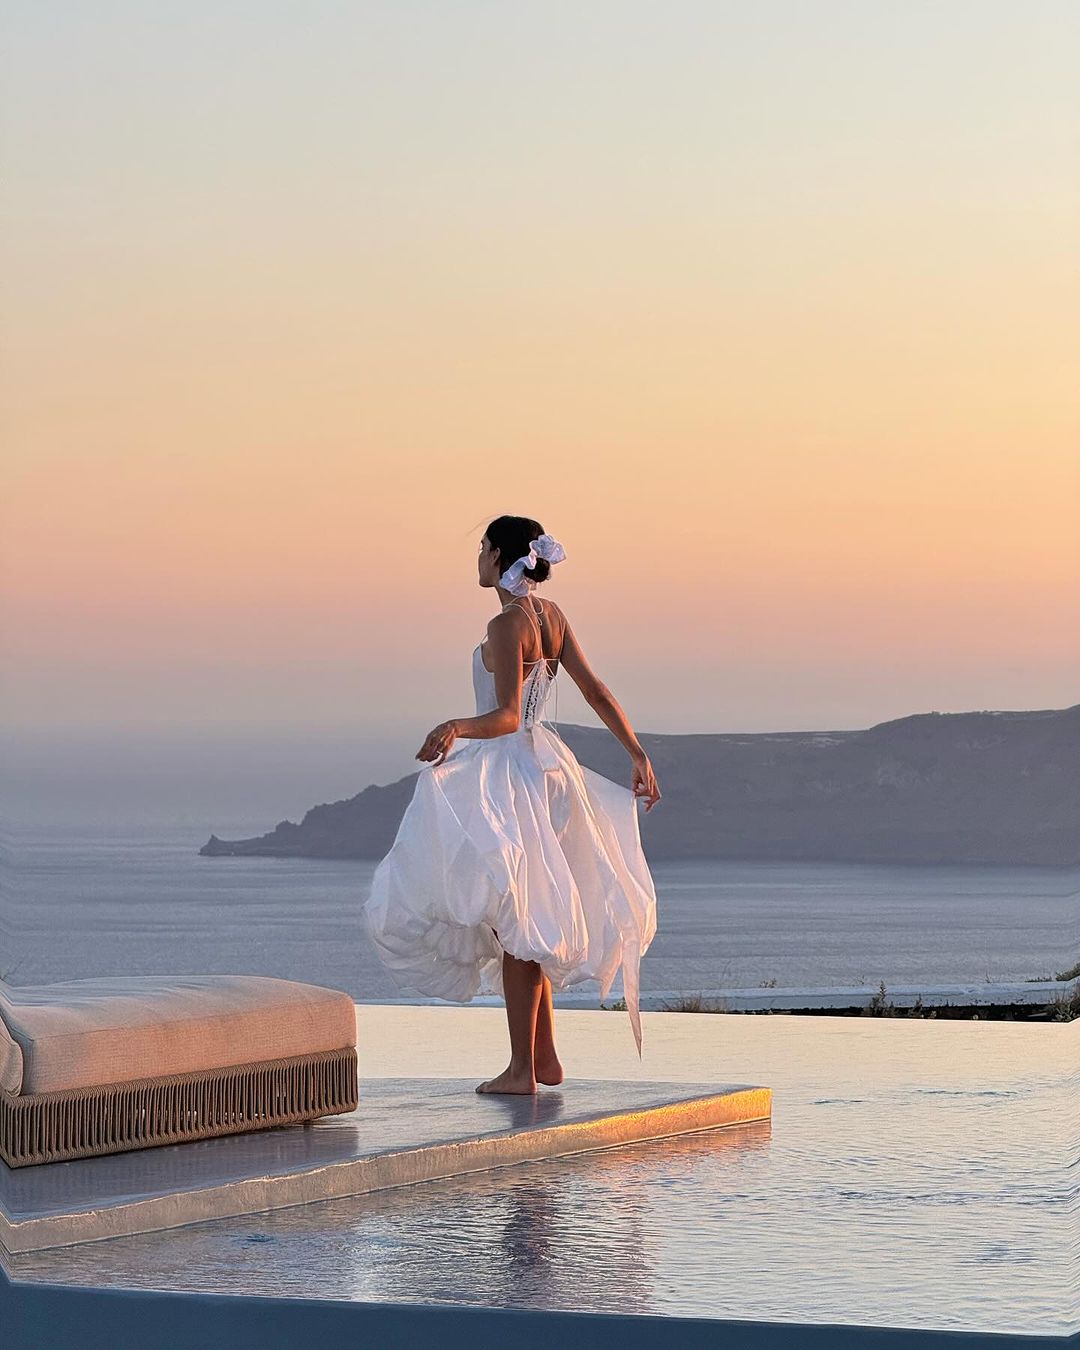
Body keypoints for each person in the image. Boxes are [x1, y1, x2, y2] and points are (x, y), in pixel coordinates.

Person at [361, 515, 661, 1095]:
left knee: (517, 923)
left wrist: (454, 726)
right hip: (546, 770)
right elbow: (598, 689)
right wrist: (637, 752)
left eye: (481, 548)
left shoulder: (506, 624)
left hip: (510, 772)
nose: (476, 557)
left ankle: (522, 1070)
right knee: (527, 914)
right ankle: (544, 1058)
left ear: (500, 555)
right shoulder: (551, 617)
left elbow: (503, 717)